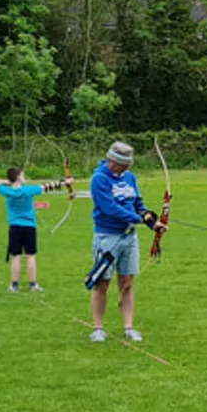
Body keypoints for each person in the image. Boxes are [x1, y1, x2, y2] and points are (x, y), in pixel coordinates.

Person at [86, 141, 161, 342]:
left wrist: (151, 220)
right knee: (102, 282)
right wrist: (138, 219)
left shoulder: (130, 177)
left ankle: (128, 327)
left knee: (127, 282)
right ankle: (98, 328)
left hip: (129, 237)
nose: (127, 169)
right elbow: (110, 208)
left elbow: (137, 203)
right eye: (124, 165)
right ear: (113, 161)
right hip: (107, 237)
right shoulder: (99, 179)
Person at [0, 165, 55, 291]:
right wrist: (66, 182)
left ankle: (14, 285)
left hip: (15, 227)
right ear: (18, 177)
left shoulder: (7, 191)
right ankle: (33, 285)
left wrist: (7, 182)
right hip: (29, 227)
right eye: (22, 175)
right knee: (31, 256)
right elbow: (48, 186)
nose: (24, 177)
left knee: (16, 256)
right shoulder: (29, 190)